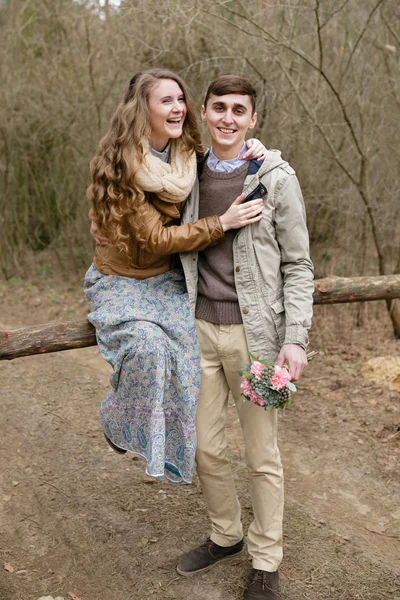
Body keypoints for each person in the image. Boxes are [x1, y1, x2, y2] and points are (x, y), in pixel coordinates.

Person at [84, 68, 266, 485]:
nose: (178, 107)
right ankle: (118, 418)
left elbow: (224, 159)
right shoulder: (123, 163)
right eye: (166, 100)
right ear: (141, 109)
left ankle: (171, 455)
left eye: (180, 99)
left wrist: (253, 147)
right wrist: (222, 222)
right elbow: (154, 239)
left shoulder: (186, 153)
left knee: (185, 361)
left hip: (166, 280)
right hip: (124, 278)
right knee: (148, 347)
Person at [177, 75, 314, 599]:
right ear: (205, 114)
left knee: (261, 455)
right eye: (219, 108)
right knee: (206, 450)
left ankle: (266, 558)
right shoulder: (186, 173)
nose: (229, 118)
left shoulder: (275, 178)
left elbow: (299, 265)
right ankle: (226, 535)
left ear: (253, 119)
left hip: (256, 338)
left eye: (240, 110)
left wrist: (295, 338)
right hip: (198, 331)